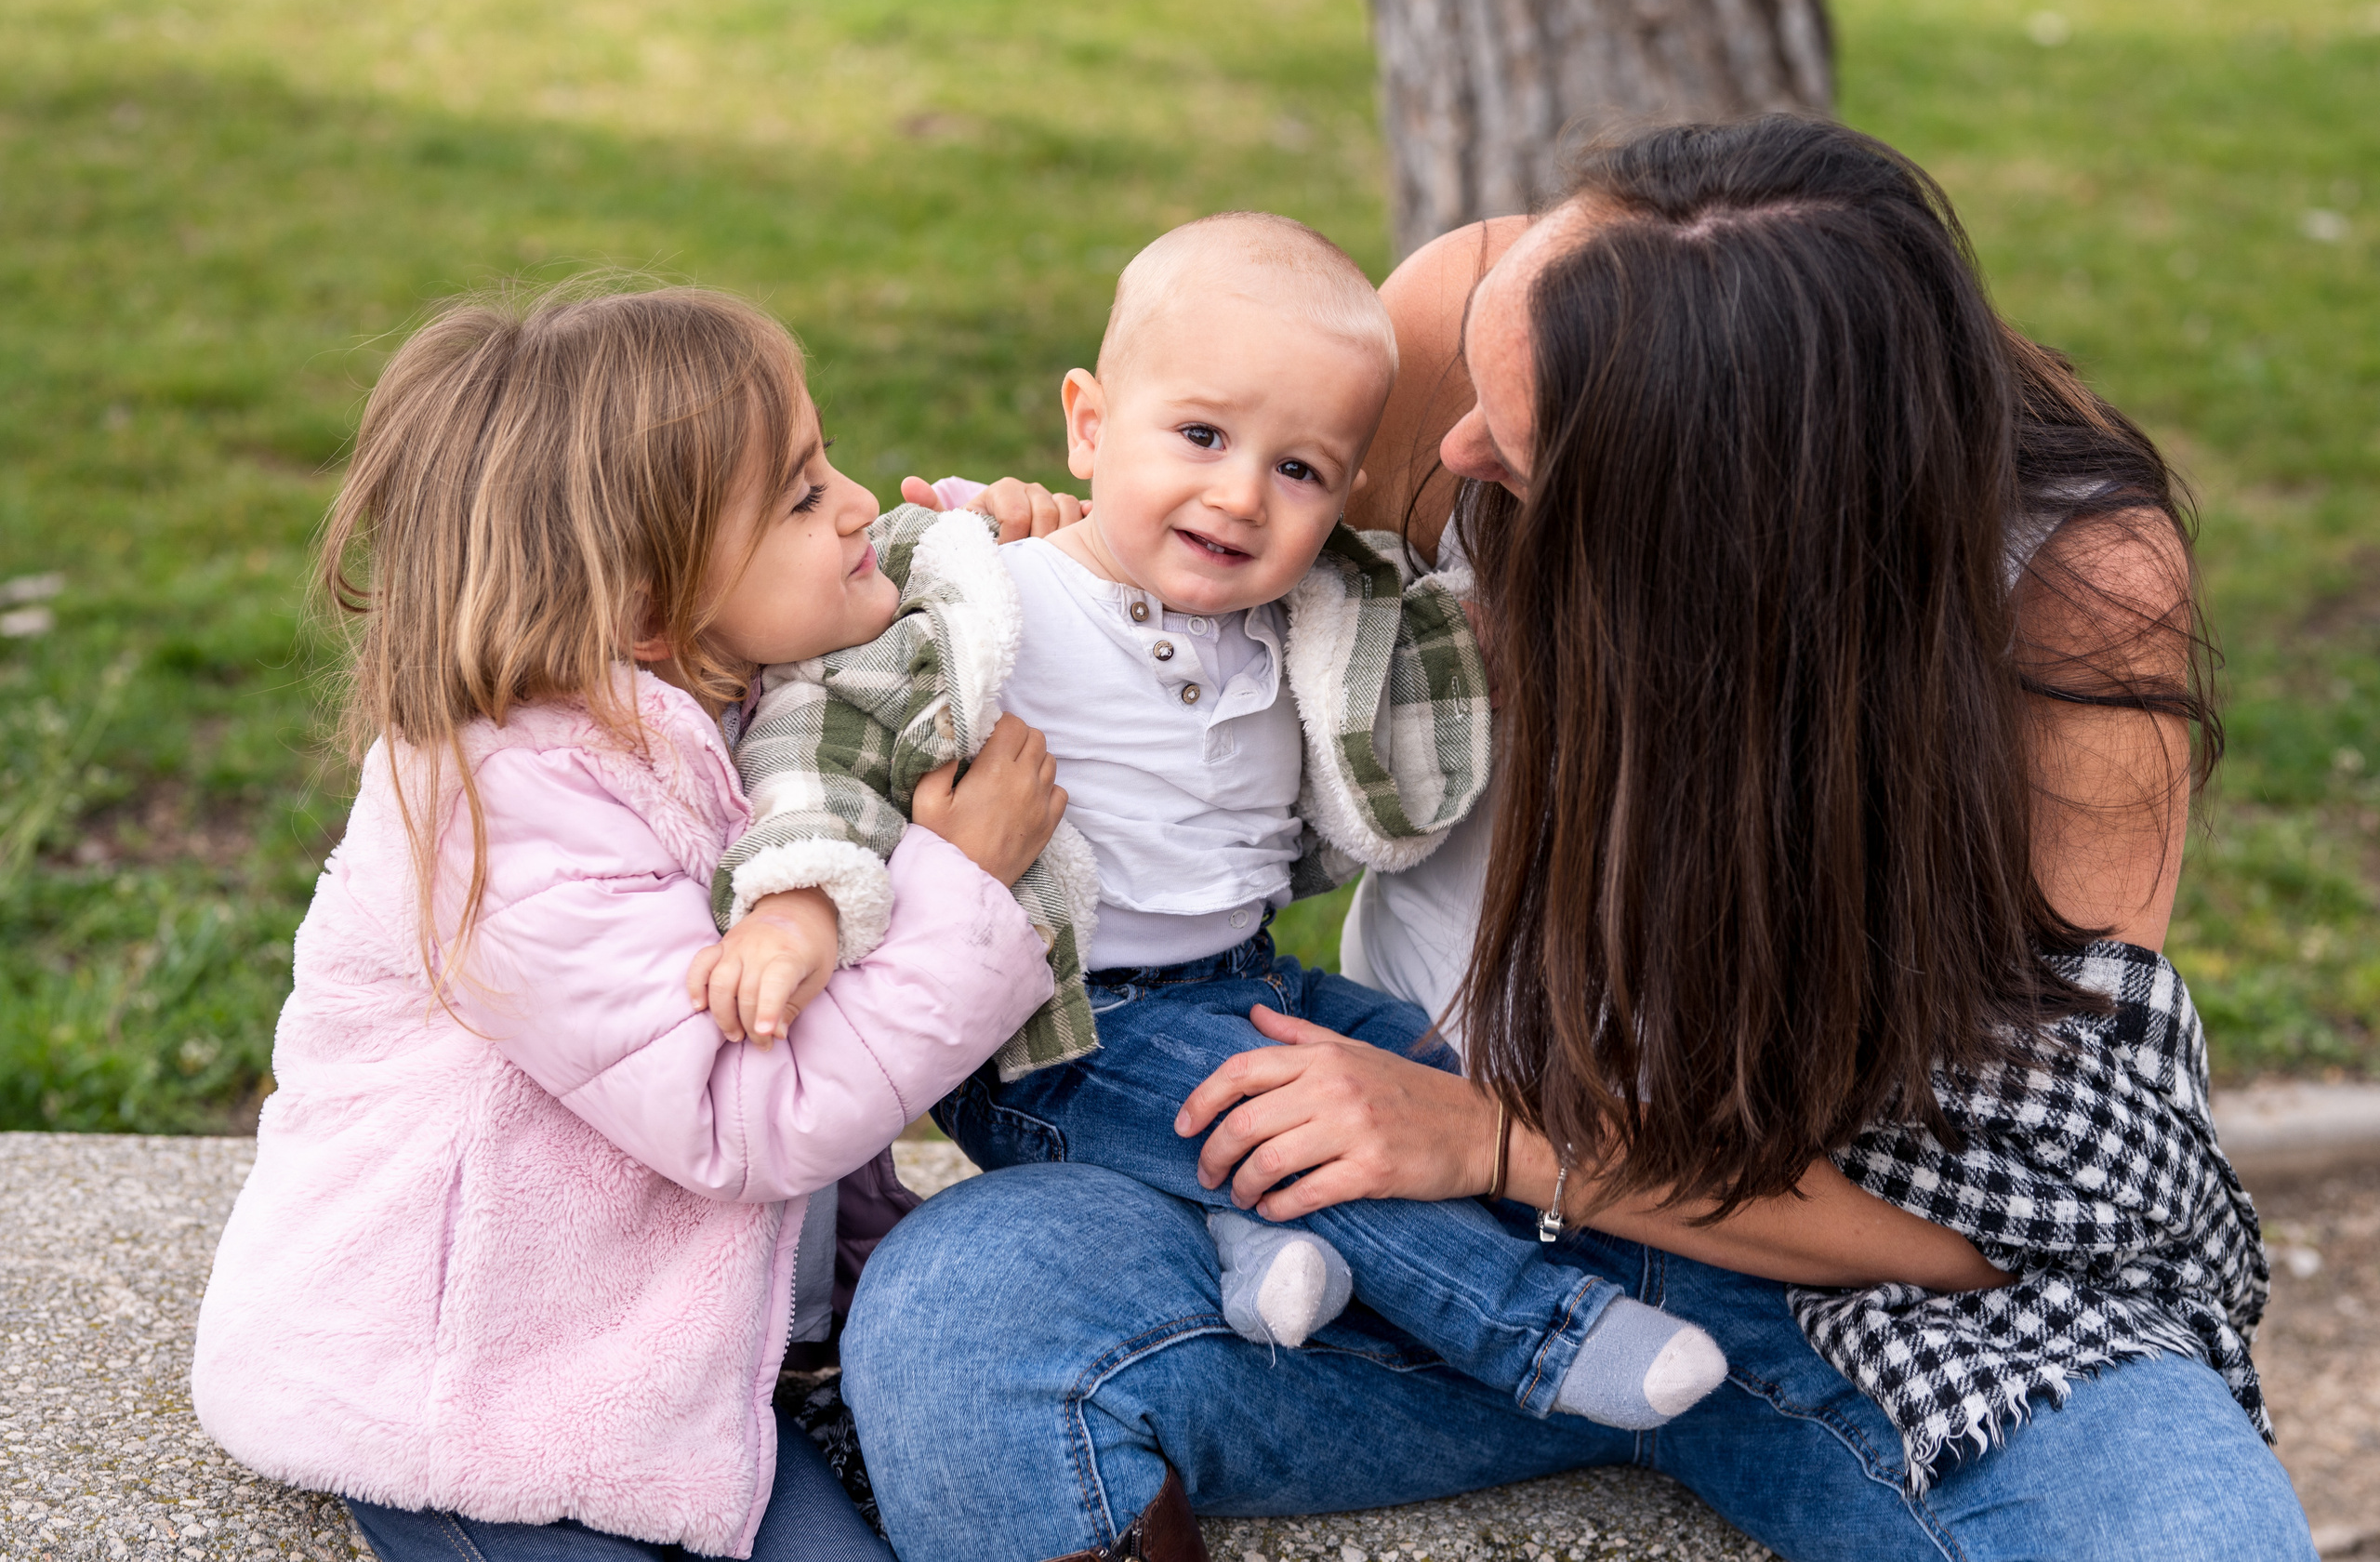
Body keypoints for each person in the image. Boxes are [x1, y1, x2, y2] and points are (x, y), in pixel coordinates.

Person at [840, 119, 2318, 1562]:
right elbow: (1196, 555)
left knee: (2192, 1538)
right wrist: (1029, 559)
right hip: (1383, 1229)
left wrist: (1492, 1139)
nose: (1454, 451)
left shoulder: (2073, 588)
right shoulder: (1471, 323)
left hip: (1816, 1273)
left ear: (1723, 520)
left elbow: (2027, 1205)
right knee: (961, 1322)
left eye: (1521, 456)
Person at [702, 211, 1730, 1436]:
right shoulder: (992, 602)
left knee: (1436, 1082)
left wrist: (1575, 601)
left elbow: (1461, 657)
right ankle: (1549, 1336)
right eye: (1200, 436)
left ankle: (1253, 1240)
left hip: (1242, 979)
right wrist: (795, 908)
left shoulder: (1312, 629)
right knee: (1300, 1135)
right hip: (1060, 1033)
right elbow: (826, 743)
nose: (1241, 496)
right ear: (1090, 425)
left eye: (1299, 472)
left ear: (1343, 498)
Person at [189, 283, 1072, 1561]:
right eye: (800, 497)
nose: (855, 505)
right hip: (468, 1401)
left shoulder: (760, 707)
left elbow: (967, 677)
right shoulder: (506, 808)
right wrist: (963, 888)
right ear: (651, 608)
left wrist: (1023, 569)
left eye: (825, 461)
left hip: (661, 1361)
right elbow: (741, 1114)